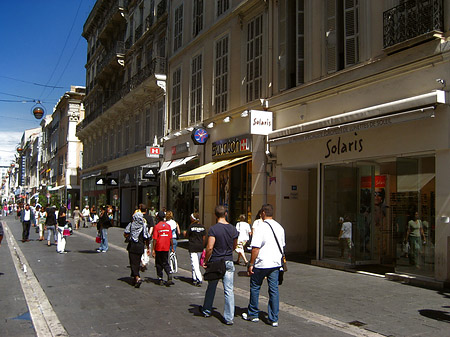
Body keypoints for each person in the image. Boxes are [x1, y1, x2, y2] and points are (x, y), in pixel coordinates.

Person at [242, 204, 285, 327]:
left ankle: (253, 314)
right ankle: (274, 318)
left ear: (263, 213)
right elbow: (282, 246)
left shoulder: (260, 227)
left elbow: (255, 248)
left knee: (255, 287)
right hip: (275, 264)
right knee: (274, 290)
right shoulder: (280, 227)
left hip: (261, 263)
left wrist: (251, 263)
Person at [201, 205, 238, 325]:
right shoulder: (233, 229)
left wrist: (206, 260)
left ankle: (206, 310)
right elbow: (234, 246)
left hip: (216, 261)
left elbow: (210, 247)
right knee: (229, 290)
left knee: (211, 287)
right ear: (226, 214)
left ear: (215, 215)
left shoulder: (213, 229)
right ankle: (229, 317)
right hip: (228, 260)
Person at [124, 212, 150, 288]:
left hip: (132, 246)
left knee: (132, 262)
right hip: (140, 246)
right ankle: (134, 277)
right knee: (137, 261)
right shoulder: (144, 226)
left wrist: (129, 236)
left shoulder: (131, 224)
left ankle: (137, 277)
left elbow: (126, 232)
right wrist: (148, 247)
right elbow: (147, 237)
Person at [152, 211, 174, 286]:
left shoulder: (157, 226)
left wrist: (153, 249)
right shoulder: (168, 226)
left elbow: (155, 239)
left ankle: (160, 278)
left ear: (158, 218)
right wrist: (172, 248)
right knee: (165, 261)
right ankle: (169, 272)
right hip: (166, 247)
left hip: (159, 247)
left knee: (158, 263)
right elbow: (171, 238)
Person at [187, 212, 206, 286]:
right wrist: (203, 246)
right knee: (195, 262)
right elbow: (204, 238)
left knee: (194, 263)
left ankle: (199, 278)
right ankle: (194, 277)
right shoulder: (202, 227)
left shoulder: (191, 227)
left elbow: (187, 236)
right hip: (200, 246)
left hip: (192, 246)